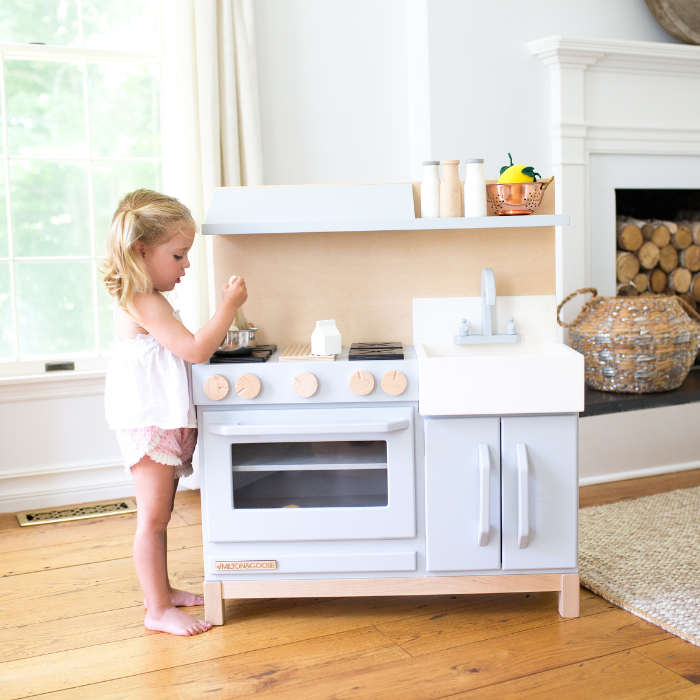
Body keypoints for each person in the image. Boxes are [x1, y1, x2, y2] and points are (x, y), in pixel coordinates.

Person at [101, 189, 247, 636]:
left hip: (159, 419)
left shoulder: (148, 297)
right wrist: (228, 307)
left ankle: (160, 594)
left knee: (160, 516)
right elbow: (194, 349)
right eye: (179, 255)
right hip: (150, 423)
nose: (186, 266)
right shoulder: (143, 300)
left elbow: (178, 350)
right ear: (141, 251)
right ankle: (157, 610)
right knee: (153, 518)